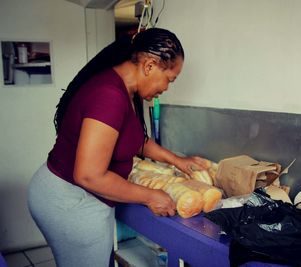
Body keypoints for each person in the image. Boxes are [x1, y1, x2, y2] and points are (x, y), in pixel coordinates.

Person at [27, 28, 209, 267]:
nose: (166, 88)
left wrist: (177, 160)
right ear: (150, 66)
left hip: (69, 194)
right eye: (169, 79)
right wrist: (150, 196)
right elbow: (89, 175)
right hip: (69, 201)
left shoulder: (122, 89)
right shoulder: (109, 96)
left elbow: (134, 140)